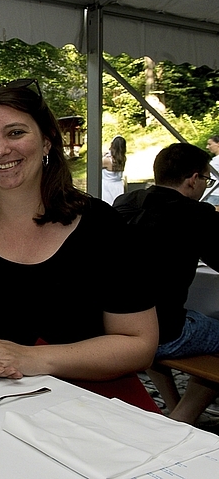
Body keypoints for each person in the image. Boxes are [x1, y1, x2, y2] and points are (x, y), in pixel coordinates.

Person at [0, 79, 159, 409]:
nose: (0, 149)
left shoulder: (101, 225)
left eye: (15, 133)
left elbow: (140, 344)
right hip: (0, 399)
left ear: (46, 142)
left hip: (97, 404)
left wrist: (32, 358)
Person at [113, 142, 219, 424]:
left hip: (118, 325)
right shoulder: (196, 214)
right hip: (164, 331)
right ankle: (183, 419)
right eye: (206, 179)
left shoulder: (125, 203)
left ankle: (171, 408)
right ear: (193, 178)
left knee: (160, 324)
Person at [101, 135, 127, 205]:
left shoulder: (107, 160)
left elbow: (95, 165)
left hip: (107, 188)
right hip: (118, 187)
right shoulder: (123, 159)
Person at [205, 135, 219, 206]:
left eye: (210, 144)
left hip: (216, 194)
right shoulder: (214, 160)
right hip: (210, 193)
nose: (207, 147)